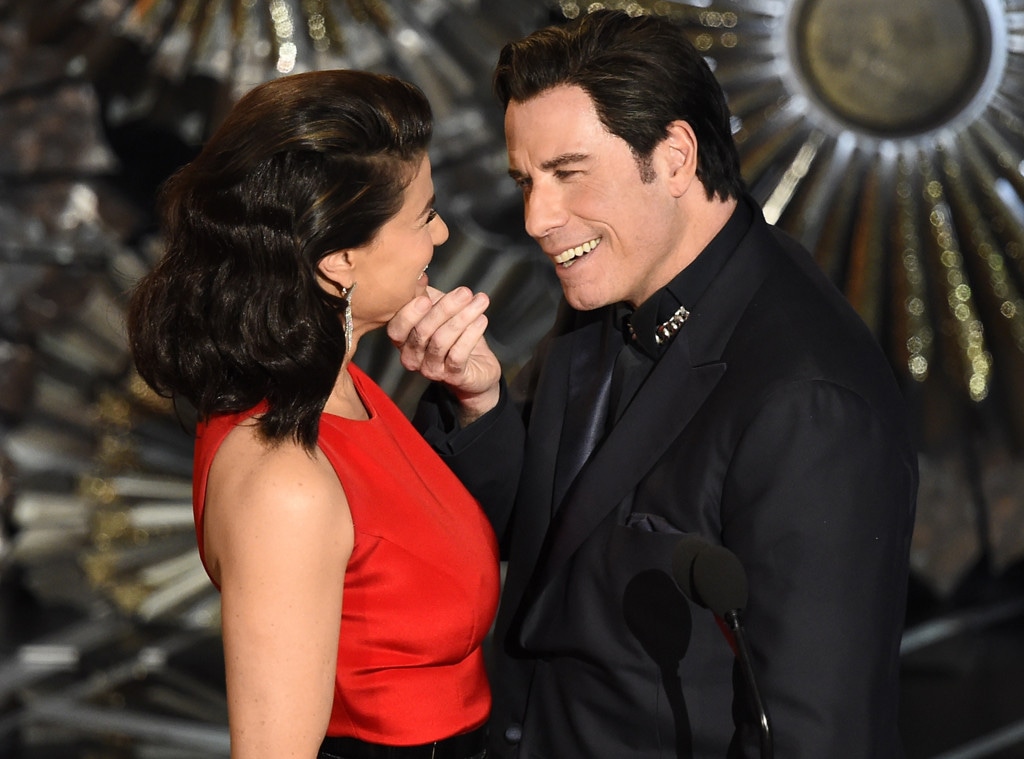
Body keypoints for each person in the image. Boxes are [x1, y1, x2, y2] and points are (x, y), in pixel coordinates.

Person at [389, 9, 918, 758]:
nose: (538, 216)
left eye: (570, 173)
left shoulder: (807, 402)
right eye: (526, 180)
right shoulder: (612, 298)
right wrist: (480, 404)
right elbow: (548, 544)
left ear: (673, 157)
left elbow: (814, 733)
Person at [126, 69, 500, 759]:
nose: (443, 233)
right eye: (424, 216)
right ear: (340, 261)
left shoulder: (343, 390)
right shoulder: (283, 482)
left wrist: (478, 404)